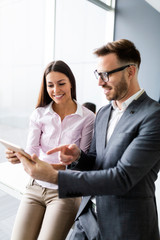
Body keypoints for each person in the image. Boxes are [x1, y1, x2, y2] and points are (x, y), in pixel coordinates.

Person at [13, 39, 160, 240]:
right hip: (88, 221)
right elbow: (96, 161)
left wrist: (55, 177)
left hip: (125, 226)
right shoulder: (103, 113)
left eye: (106, 74)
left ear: (130, 72)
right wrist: (77, 157)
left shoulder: (153, 116)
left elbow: (122, 178)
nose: (100, 82)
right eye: (98, 75)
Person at [6, 60, 95, 240]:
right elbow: (31, 153)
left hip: (65, 192)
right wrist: (19, 156)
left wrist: (55, 168)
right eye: (50, 85)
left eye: (61, 83)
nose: (56, 90)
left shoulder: (88, 118)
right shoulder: (39, 114)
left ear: (71, 83)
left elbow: (83, 164)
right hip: (35, 187)